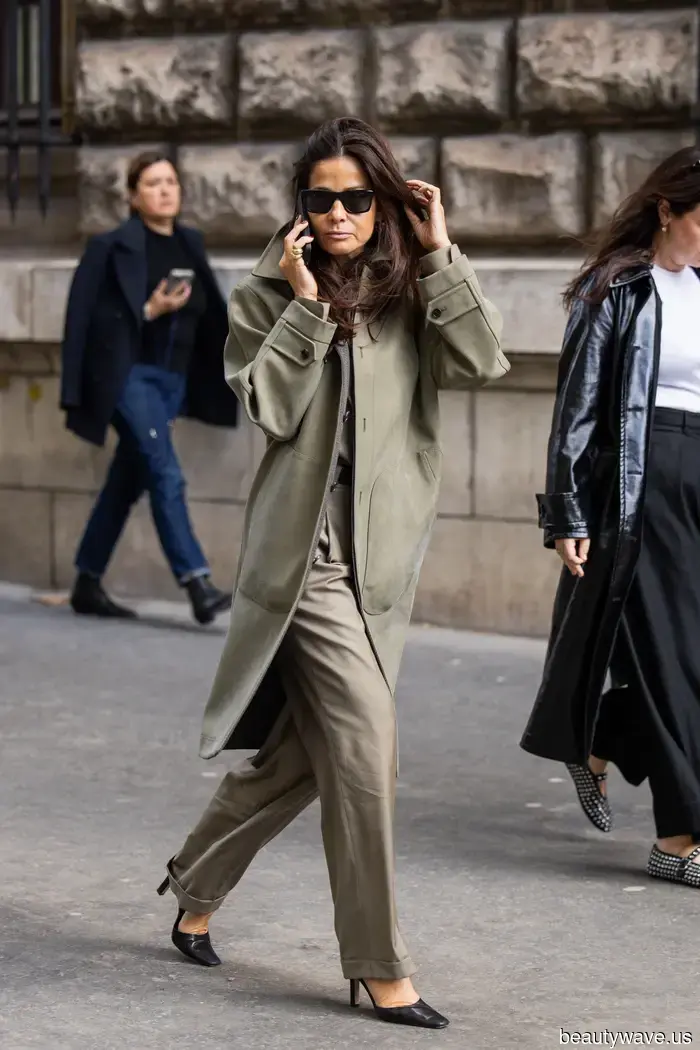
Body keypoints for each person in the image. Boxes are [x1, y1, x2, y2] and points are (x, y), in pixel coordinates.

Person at [156, 117, 508, 1027]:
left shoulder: (412, 289)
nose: (342, 212)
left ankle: (194, 881)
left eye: (358, 197)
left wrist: (442, 256)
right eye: (323, 199)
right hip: (302, 562)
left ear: (385, 201)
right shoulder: (267, 291)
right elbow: (268, 409)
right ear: (302, 209)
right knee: (364, 748)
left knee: (309, 755)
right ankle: (379, 964)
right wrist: (306, 304)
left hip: (380, 568)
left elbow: (482, 360)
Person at [521, 146, 700, 889]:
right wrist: (567, 511)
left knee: (688, 657)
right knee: (672, 658)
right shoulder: (617, 289)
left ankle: (599, 737)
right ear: (668, 209)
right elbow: (578, 408)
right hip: (643, 477)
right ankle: (679, 839)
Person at [60, 150, 238, 625]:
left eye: (171, 182)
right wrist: (149, 311)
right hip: (127, 377)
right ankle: (197, 582)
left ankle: (86, 582)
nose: (165, 191)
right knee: (165, 472)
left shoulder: (189, 244)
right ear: (133, 197)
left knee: (127, 480)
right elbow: (86, 321)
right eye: (153, 183)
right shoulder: (110, 247)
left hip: (171, 382)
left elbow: (209, 317)